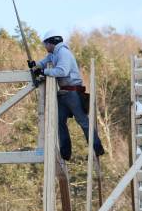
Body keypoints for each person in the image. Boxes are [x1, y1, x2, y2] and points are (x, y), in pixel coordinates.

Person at [30, 30, 104, 161]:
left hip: (72, 92)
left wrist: (43, 71)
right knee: (59, 121)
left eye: (45, 44)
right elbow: (43, 62)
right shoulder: (54, 54)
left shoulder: (63, 53)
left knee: (83, 121)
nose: (45, 47)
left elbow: (62, 71)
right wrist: (35, 66)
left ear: (51, 42)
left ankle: (97, 148)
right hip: (64, 93)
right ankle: (65, 152)